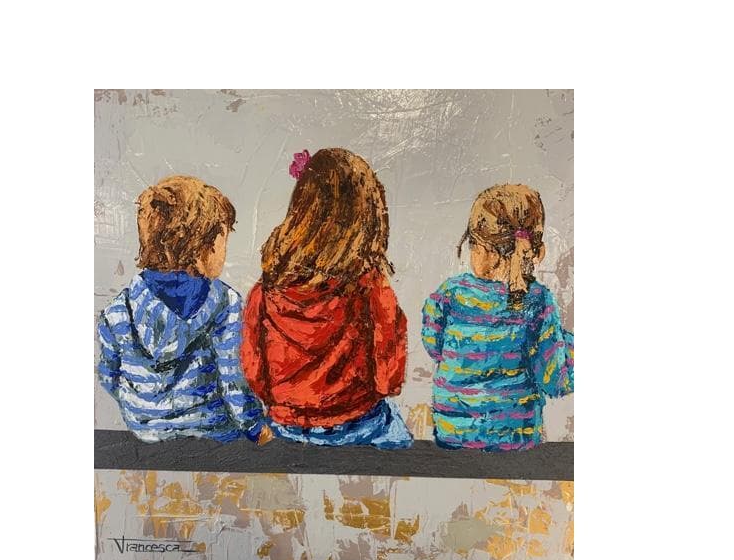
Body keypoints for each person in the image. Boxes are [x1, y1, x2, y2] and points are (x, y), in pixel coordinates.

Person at [242, 148, 412, 449]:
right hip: (361, 425)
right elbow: (389, 378)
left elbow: (254, 372)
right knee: (401, 442)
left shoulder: (266, 290)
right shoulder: (371, 287)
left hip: (286, 427)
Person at [97, 174, 272, 444]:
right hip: (213, 433)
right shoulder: (225, 304)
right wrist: (255, 428)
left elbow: (109, 376)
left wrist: (148, 410)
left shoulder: (119, 309)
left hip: (145, 432)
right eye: (222, 239)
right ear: (202, 246)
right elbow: (233, 381)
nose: (224, 250)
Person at [421, 183, 573, 451]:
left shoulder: (449, 293)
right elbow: (554, 381)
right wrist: (567, 347)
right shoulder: (537, 300)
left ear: (476, 245)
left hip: (451, 432)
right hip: (513, 438)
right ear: (535, 251)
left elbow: (434, 345)